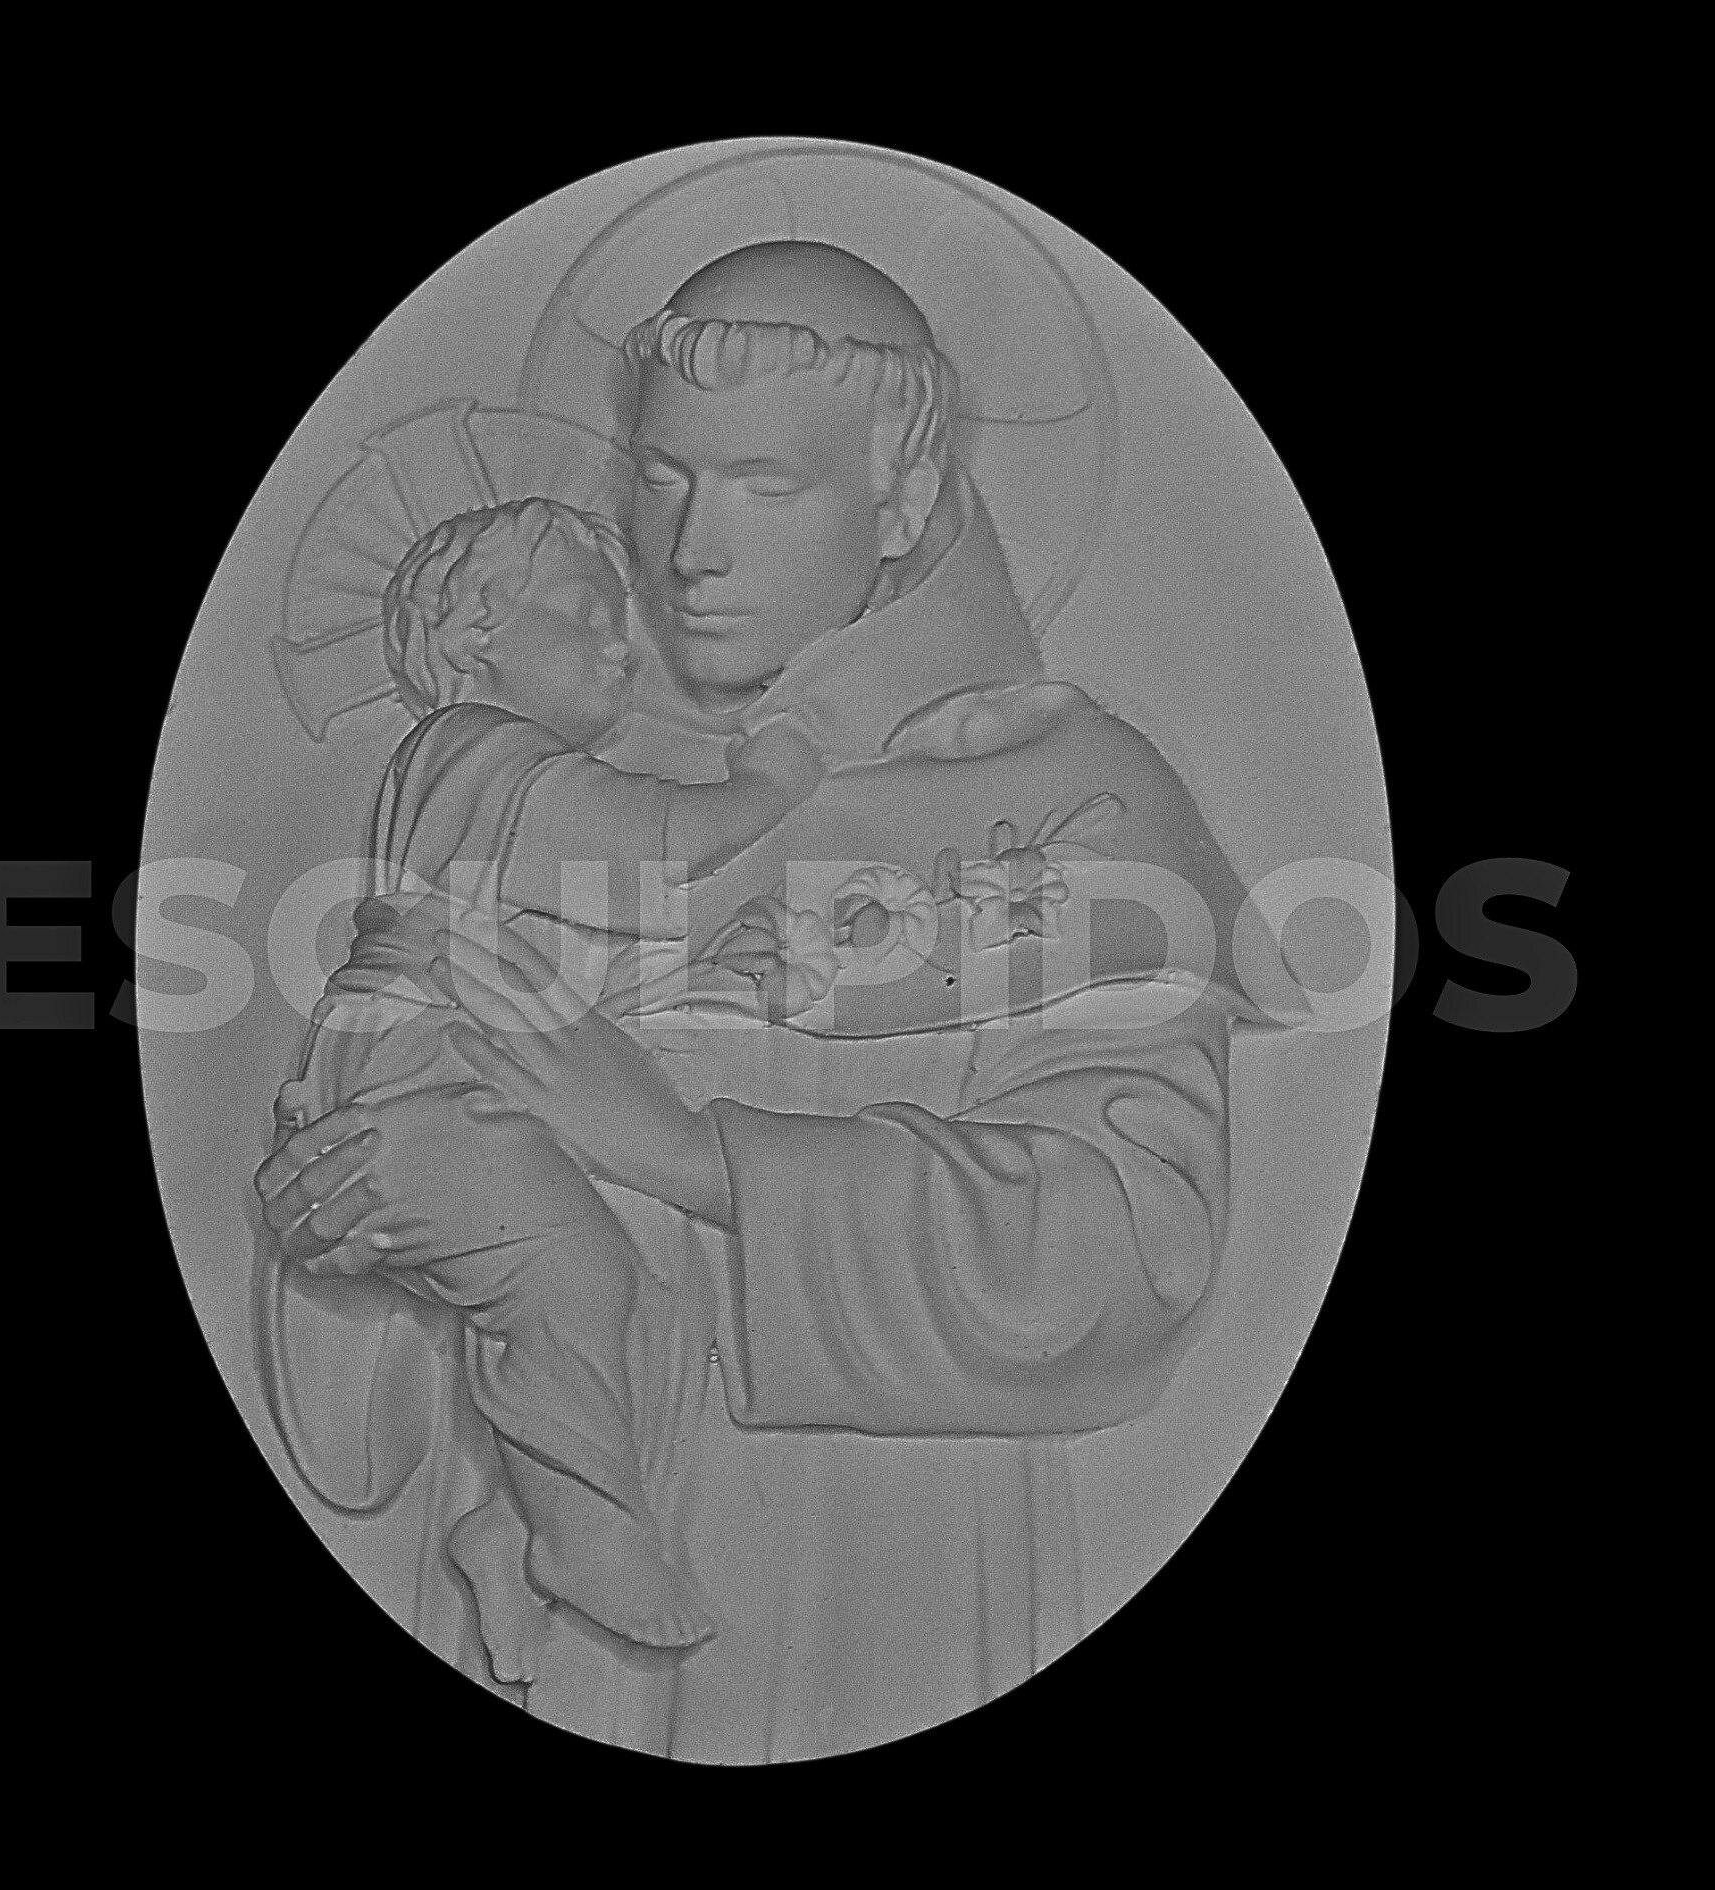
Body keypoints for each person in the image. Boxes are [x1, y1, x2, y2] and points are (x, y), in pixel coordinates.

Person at [257, 243, 1266, 1754]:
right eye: (663, 477)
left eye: (765, 485)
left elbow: (1131, 1248)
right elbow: (417, 1141)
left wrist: (692, 1155)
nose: (690, 550)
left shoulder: (1063, 799)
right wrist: (350, 1227)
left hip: (881, 1553)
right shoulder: (557, 785)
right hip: (577, 1543)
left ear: (903, 500)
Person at [265, 495, 828, 1667]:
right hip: (416, 1090)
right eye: (587, 613)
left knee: (622, 1282)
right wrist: (771, 781)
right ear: (477, 633)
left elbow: (583, 987)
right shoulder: (474, 749)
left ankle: (514, 1527)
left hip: (461, 1086)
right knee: (569, 1269)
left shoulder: (511, 803)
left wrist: (718, 977)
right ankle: (587, 1533)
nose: (622, 649)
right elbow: (656, 843)